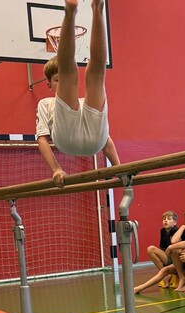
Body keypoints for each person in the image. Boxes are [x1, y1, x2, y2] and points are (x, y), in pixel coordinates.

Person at [36, 0, 120, 187]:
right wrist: (56, 169)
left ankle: (97, 9)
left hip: (96, 141)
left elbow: (106, 140)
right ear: (48, 84)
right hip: (67, 139)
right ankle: (70, 12)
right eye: (56, 80)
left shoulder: (82, 103)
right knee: (69, 72)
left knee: (97, 73)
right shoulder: (46, 103)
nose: (60, 84)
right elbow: (42, 140)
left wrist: (119, 168)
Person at [134, 209, 185, 295]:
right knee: (153, 253)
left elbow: (175, 242)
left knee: (176, 249)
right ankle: (140, 288)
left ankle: (184, 278)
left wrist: (181, 228)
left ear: (175, 222)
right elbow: (163, 247)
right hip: (179, 259)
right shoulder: (164, 231)